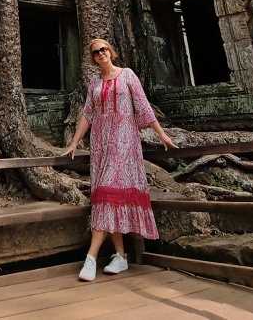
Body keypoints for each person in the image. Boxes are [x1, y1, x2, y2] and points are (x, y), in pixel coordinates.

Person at [63, 37, 178, 282]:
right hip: (102, 145)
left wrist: (162, 134)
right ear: (93, 59)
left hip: (124, 144)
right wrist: (74, 142)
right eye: (96, 52)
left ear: (111, 52)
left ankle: (91, 258)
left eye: (104, 49)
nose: (101, 53)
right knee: (109, 195)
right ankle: (121, 256)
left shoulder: (127, 75)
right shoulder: (94, 82)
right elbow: (87, 114)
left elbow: (143, 106)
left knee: (106, 195)